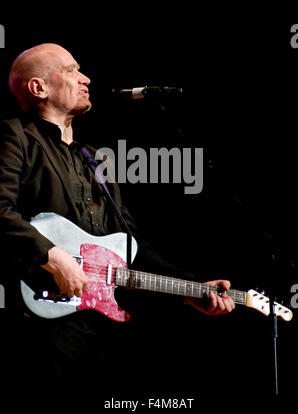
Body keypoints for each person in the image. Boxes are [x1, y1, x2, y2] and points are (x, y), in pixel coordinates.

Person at [0, 43, 235, 404]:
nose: (85, 78)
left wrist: (192, 288)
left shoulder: (96, 160)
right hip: (37, 320)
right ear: (39, 88)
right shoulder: (13, 137)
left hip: (97, 329)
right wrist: (54, 257)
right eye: (70, 70)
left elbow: (128, 245)